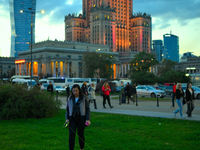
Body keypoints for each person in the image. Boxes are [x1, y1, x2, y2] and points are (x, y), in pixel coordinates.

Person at [65, 84, 91, 150]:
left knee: (81, 134)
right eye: (73, 91)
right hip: (72, 118)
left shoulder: (84, 98)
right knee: (71, 134)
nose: (75, 92)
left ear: (79, 90)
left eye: (76, 91)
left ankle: (81, 148)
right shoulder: (70, 98)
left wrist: (88, 119)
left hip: (81, 118)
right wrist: (67, 118)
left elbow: (87, 109)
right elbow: (67, 109)